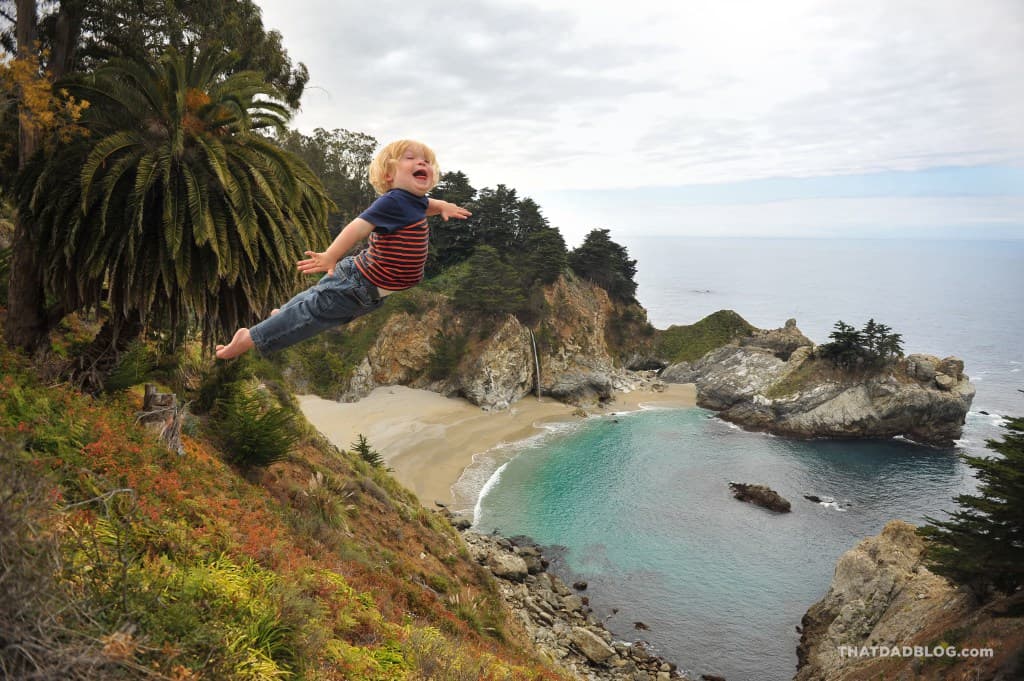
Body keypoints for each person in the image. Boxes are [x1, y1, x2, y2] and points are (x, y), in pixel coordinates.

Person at [215, 139, 470, 359]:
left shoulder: (414, 201)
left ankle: (280, 315)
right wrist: (331, 256)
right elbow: (357, 227)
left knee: (313, 303)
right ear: (389, 175)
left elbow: (428, 204)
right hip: (358, 284)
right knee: (310, 316)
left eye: (427, 161)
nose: (422, 163)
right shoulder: (392, 201)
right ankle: (250, 338)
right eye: (410, 158)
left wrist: (443, 206)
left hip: (366, 288)